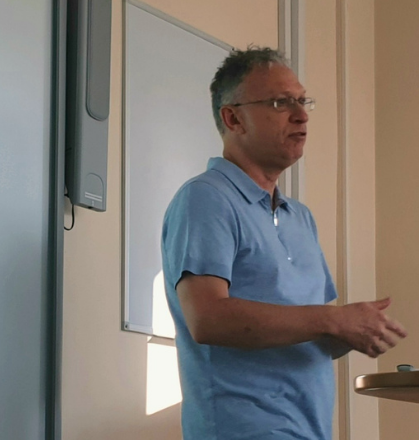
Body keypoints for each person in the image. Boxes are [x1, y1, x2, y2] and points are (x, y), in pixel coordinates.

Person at [161, 46, 408, 440]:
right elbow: (207, 317)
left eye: (302, 100)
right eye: (280, 102)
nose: (301, 114)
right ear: (233, 118)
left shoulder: (300, 218)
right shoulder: (206, 198)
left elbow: (307, 334)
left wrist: (358, 328)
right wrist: (334, 319)